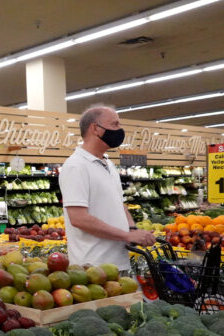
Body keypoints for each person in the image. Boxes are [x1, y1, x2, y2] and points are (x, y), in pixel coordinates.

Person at [59, 104, 155, 274]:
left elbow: (119, 204)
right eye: (115, 124)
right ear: (95, 129)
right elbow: (78, 218)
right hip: (93, 267)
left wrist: (132, 229)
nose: (119, 130)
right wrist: (126, 235)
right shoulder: (76, 166)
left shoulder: (109, 164)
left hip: (119, 261)